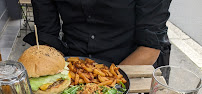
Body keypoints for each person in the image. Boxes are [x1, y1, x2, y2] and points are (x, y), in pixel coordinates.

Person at [24, 0, 172, 66]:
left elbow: (150, 47)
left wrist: (104, 82)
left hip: (131, 65)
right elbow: (46, 35)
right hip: (71, 64)